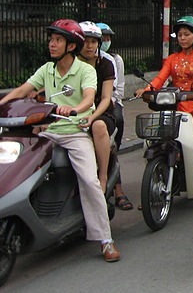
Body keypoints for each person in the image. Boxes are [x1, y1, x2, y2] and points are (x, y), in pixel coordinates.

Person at [0, 19, 120, 262]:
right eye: (51, 39)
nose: (51, 44)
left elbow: (89, 98)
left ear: (70, 46)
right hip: (47, 130)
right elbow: (23, 90)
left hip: (75, 132)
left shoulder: (85, 70)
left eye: (57, 40)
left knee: (89, 179)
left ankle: (105, 239)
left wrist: (75, 108)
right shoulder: (47, 69)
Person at [136, 16, 193, 192]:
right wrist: (146, 89)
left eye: (186, 34)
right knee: (156, 138)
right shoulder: (172, 58)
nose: (182, 38)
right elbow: (160, 78)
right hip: (176, 105)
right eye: (180, 35)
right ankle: (153, 183)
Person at [96, 22, 132, 210]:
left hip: (108, 105)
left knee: (112, 142)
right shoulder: (75, 62)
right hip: (83, 109)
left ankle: (117, 189)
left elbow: (117, 91)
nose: (103, 42)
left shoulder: (111, 61)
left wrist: (105, 104)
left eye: (106, 38)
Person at [77, 22, 116, 195]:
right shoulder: (68, 63)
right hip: (73, 113)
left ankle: (103, 177)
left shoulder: (105, 64)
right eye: (85, 41)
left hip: (100, 113)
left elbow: (107, 98)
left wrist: (92, 117)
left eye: (93, 42)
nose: (90, 46)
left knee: (98, 126)